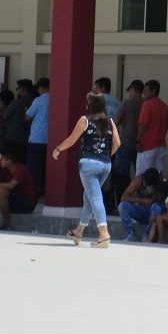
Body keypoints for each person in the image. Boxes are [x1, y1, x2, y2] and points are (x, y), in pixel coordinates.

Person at [53, 92, 121, 248]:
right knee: (89, 196)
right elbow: (117, 143)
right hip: (105, 165)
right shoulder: (110, 121)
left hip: (88, 164)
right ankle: (79, 231)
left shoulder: (85, 120)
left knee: (95, 197)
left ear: (88, 105)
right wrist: (105, 156)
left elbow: (71, 140)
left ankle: (104, 234)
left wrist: (58, 149)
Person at [118, 167, 168, 241]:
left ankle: (148, 234)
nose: (150, 188)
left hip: (158, 213)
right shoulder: (138, 180)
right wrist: (141, 201)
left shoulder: (164, 176)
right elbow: (124, 197)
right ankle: (131, 234)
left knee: (156, 206)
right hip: (142, 211)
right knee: (122, 206)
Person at [113, 79, 144, 182]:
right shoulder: (145, 104)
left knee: (124, 171)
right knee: (139, 171)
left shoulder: (126, 103)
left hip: (125, 141)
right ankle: (138, 193)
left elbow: (115, 121)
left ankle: (124, 193)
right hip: (140, 143)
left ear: (133, 88)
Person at [137, 80, 168, 173]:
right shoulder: (165, 107)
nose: (144, 92)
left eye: (146, 90)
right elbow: (166, 126)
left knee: (141, 175)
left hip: (147, 145)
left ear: (153, 91)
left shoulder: (147, 104)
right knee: (159, 174)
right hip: (161, 145)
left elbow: (143, 124)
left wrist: (137, 141)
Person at [24, 77, 50, 196]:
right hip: (49, 140)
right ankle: (44, 189)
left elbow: (28, 117)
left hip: (36, 138)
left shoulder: (38, 100)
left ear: (42, 88)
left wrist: (27, 110)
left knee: (33, 168)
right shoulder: (57, 99)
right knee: (46, 168)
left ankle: (33, 191)